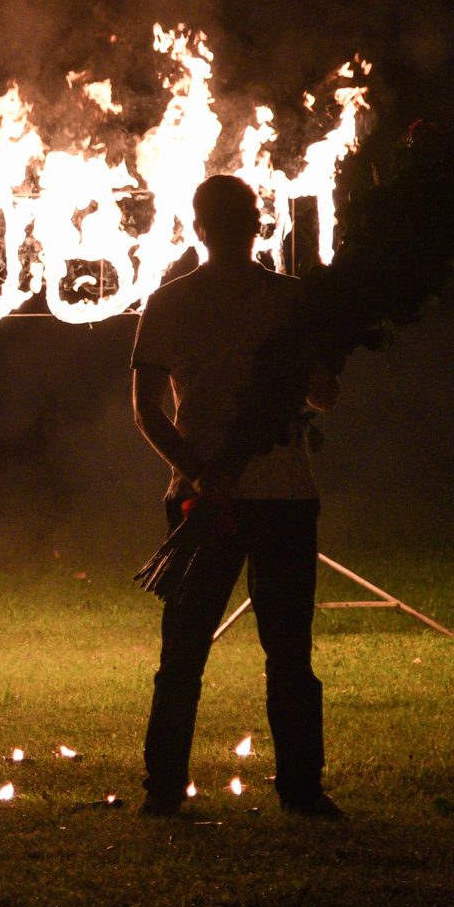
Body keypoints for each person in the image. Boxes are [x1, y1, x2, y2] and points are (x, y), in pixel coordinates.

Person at [130, 174, 344, 819]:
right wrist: (203, 476)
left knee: (223, 652)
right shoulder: (177, 303)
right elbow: (148, 410)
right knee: (246, 652)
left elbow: (321, 396)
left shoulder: (284, 302)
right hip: (229, 498)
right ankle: (291, 792)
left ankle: (181, 791)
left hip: (264, 493)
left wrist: (197, 472)